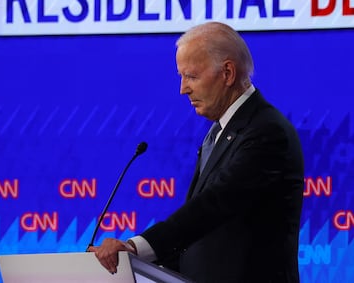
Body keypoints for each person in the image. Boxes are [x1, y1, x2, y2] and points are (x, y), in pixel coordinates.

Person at [88, 21, 304, 283]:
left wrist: (136, 247)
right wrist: (135, 265)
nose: (183, 88)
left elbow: (214, 204)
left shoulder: (266, 131)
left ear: (227, 73)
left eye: (191, 76)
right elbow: (199, 239)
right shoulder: (220, 132)